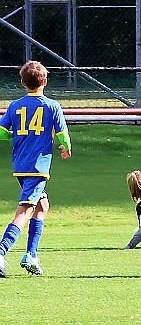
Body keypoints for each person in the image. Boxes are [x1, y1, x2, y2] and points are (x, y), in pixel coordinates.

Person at [0, 61, 72, 278]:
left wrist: (18, 136)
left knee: (42, 205)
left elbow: (2, 132)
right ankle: (2, 251)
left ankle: (31, 255)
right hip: (37, 167)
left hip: (20, 165)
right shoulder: (52, 106)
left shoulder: (14, 106)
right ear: (45, 82)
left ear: (22, 82)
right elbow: (63, 135)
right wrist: (66, 149)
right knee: (25, 210)